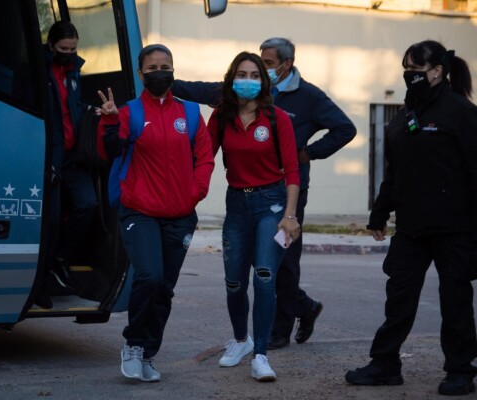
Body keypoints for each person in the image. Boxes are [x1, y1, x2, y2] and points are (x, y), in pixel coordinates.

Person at [172, 37, 357, 349]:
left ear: (286, 64)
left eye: (267, 65)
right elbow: (200, 90)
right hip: (243, 192)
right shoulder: (239, 91)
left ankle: (279, 331)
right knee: (259, 261)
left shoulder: (308, 97)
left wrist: (307, 153)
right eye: (258, 64)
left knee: (283, 262)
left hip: (288, 191)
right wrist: (164, 80)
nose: (257, 74)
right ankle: (304, 306)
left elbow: (345, 128)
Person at [345, 40, 477, 396]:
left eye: (416, 69)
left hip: (455, 229)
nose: (410, 75)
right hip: (411, 229)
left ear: (437, 71)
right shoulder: (406, 116)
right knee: (398, 298)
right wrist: (379, 212)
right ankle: (385, 364)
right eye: (406, 69)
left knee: (455, 302)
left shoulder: (461, 112)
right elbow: (395, 171)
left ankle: (461, 370)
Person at [96, 44, 214, 382]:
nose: (159, 73)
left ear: (173, 70)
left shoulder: (191, 113)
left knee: (164, 288)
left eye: (165, 67)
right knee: (149, 276)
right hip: (140, 211)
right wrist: (109, 121)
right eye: (152, 68)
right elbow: (108, 151)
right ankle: (134, 345)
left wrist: (195, 192)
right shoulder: (129, 112)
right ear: (140, 73)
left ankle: (148, 353)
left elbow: (205, 158)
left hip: (180, 214)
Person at [207, 51, 300, 381]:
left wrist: (290, 215)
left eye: (255, 75)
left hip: (271, 204)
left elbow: (292, 170)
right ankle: (240, 341)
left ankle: (260, 354)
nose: (248, 81)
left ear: (264, 81)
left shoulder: (277, 118)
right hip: (236, 204)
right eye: (242, 75)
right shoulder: (221, 117)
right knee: (234, 282)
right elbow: (203, 158)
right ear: (232, 79)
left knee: (264, 276)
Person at [35, 21, 98, 309]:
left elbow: (72, 108)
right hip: (51, 155)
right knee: (49, 221)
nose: (69, 53)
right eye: (63, 49)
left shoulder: (74, 71)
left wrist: (92, 111)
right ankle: (40, 284)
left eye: (73, 49)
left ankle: (59, 258)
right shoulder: (37, 71)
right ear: (51, 45)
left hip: (73, 156)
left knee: (88, 204)